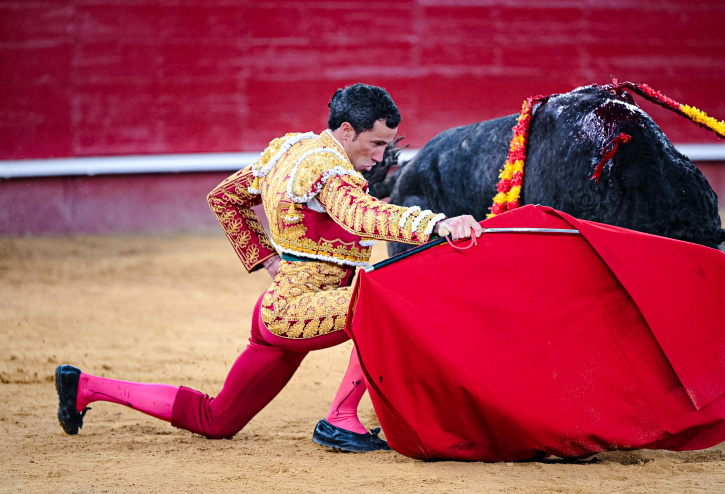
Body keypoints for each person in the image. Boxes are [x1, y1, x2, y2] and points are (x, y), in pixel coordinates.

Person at [55, 84, 482, 452]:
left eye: (386, 144)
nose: (381, 154)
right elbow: (357, 216)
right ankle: (341, 419)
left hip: (280, 310)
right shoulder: (326, 167)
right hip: (297, 310)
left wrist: (269, 261)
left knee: (216, 420)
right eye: (374, 143)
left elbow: (224, 198)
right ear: (347, 130)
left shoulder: (292, 148)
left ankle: (87, 387)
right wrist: (436, 223)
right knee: (386, 300)